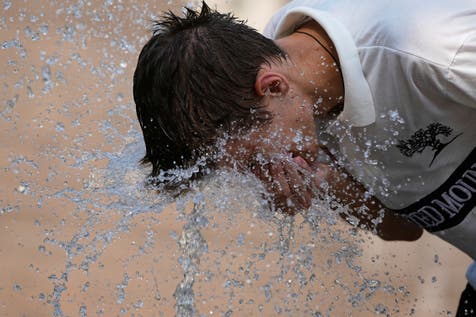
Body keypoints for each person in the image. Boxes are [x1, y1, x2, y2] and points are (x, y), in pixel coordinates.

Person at [133, 1, 476, 314]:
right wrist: (327, 183)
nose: (262, 177)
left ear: (273, 87)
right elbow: (404, 229)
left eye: (254, 161)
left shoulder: (428, 47)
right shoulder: (283, 93)